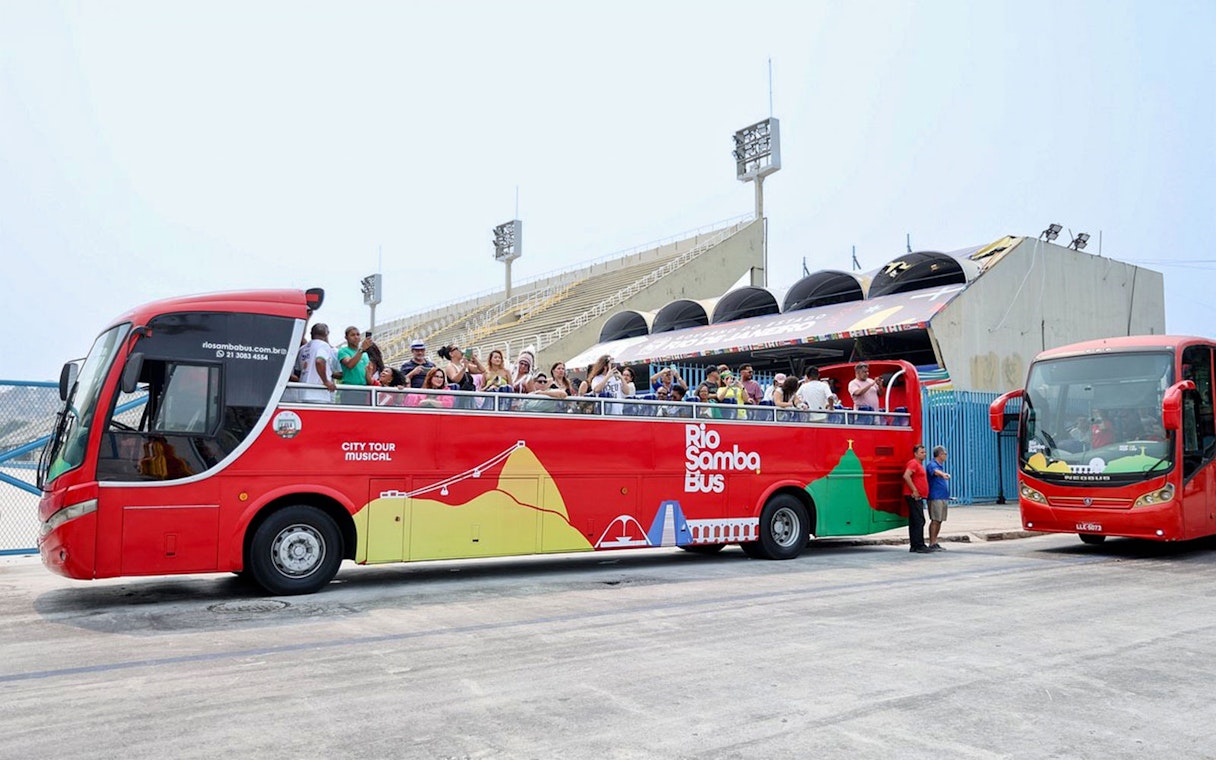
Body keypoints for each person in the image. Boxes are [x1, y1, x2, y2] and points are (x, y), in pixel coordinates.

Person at [902, 444, 932, 554]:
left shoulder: (918, 464)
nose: (924, 454)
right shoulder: (913, 463)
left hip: (916, 496)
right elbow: (906, 475)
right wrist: (914, 490)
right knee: (919, 520)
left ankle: (915, 545)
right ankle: (919, 545)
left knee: (915, 521)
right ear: (915, 453)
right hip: (913, 496)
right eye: (921, 452)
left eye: (924, 452)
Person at [299, 323, 338, 403]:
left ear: (311, 333)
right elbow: (319, 361)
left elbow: (298, 370)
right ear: (326, 334)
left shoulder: (302, 349)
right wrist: (326, 381)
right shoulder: (323, 345)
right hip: (318, 393)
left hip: (302, 391)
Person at [926, 446, 951, 551]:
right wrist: (943, 475)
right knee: (935, 520)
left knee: (940, 520)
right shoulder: (932, 464)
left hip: (942, 497)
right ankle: (932, 543)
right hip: (935, 497)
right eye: (945, 454)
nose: (946, 456)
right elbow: (935, 472)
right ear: (940, 454)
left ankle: (935, 541)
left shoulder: (940, 466)